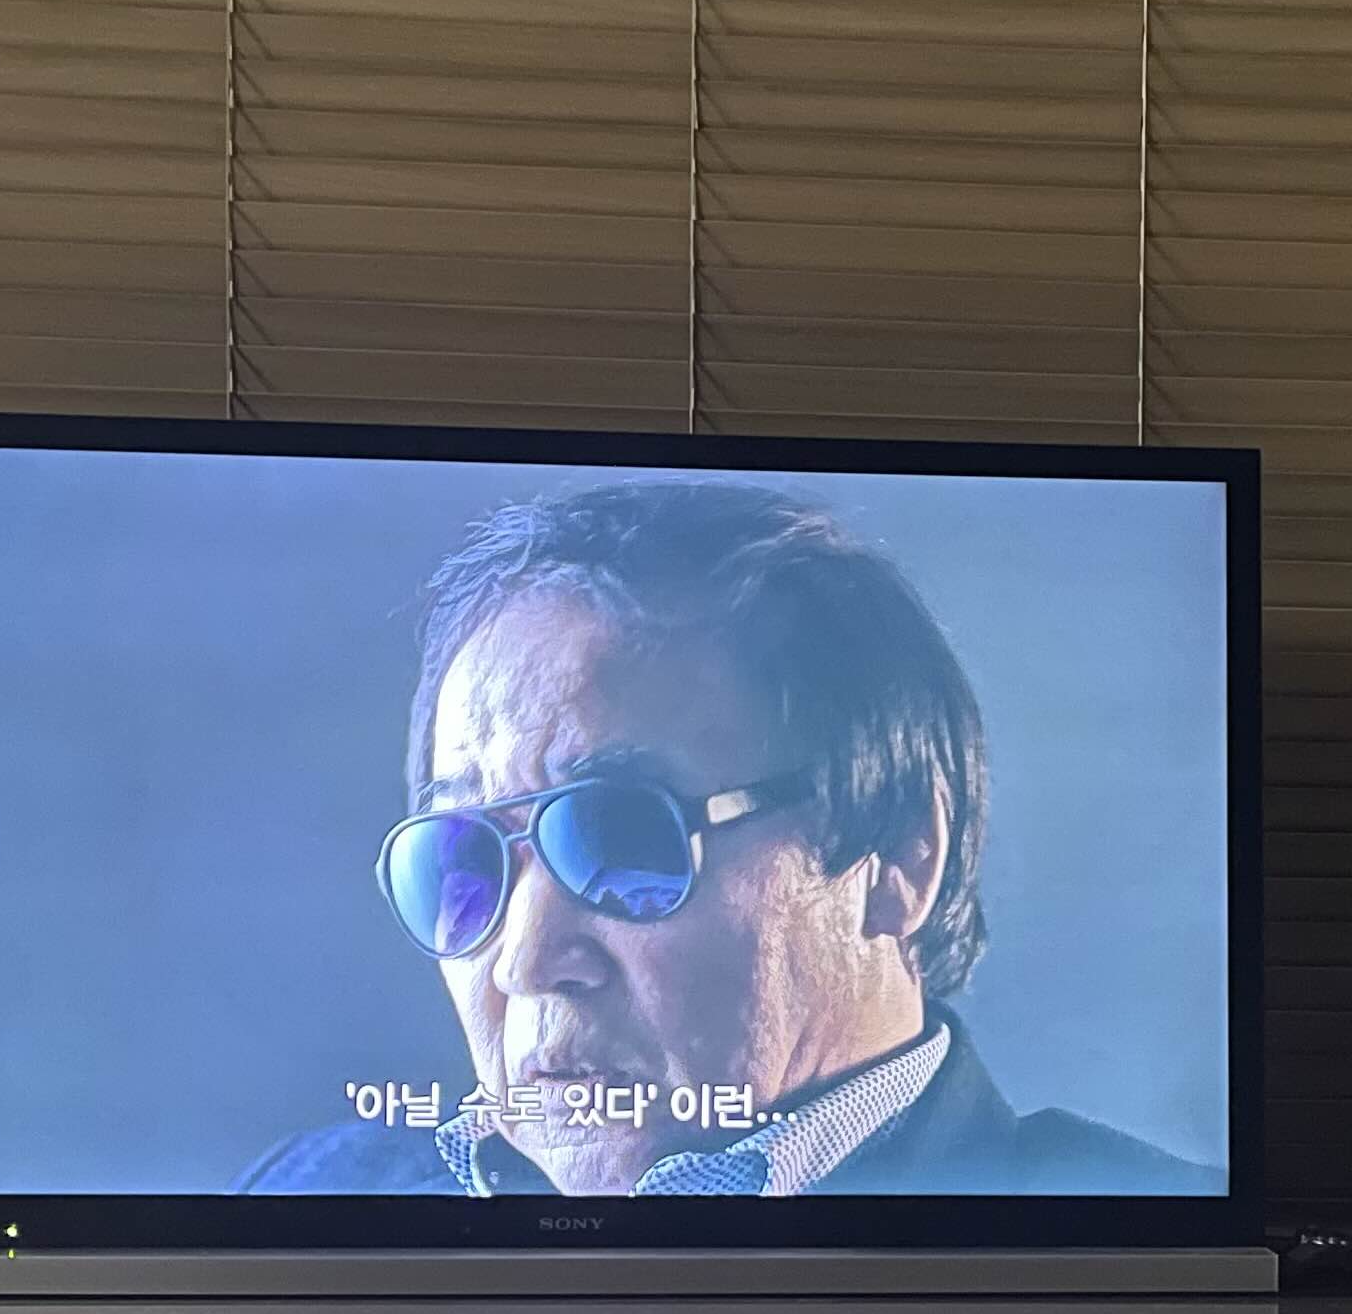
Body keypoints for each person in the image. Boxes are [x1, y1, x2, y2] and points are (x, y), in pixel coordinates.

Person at [239, 479, 1213, 1199]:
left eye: (621, 841)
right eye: (464, 860)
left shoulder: (1133, 1237)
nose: (526, 962)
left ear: (897, 859)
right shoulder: (307, 1197)